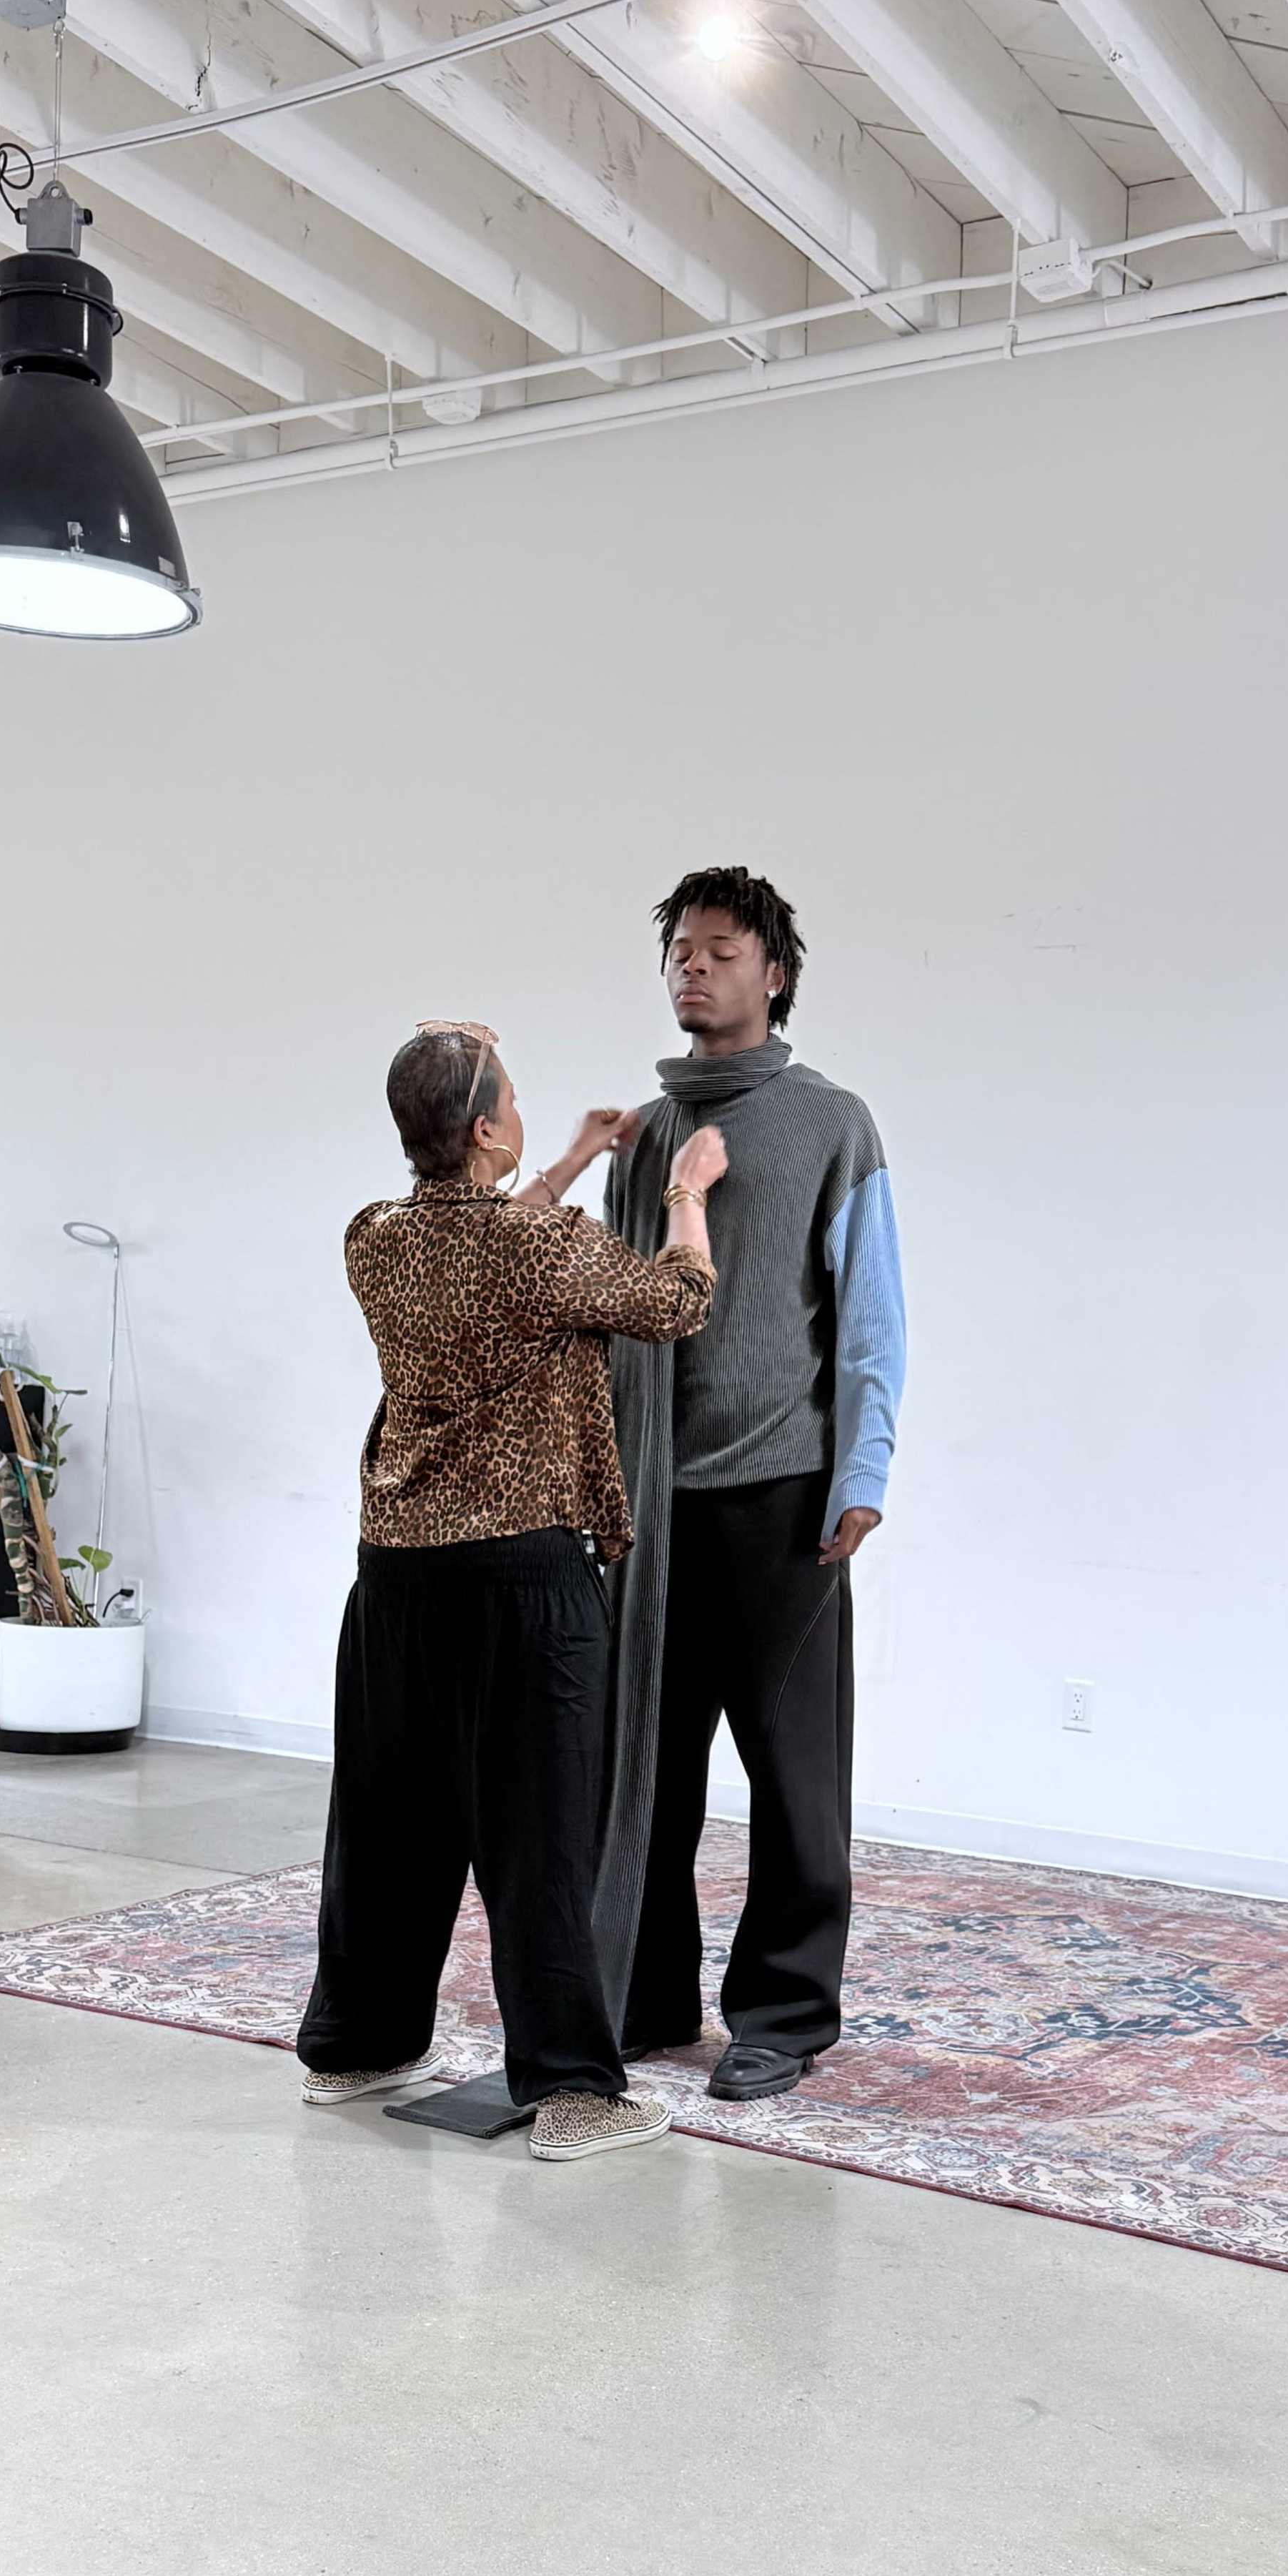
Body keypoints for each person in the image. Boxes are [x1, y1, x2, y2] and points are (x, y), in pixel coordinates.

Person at [297, 1019, 728, 2160]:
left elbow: (479, 1251)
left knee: (389, 1821)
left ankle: (358, 2043)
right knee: (541, 1837)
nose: (530, 1116)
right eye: (516, 1102)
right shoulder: (544, 1254)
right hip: (522, 1581)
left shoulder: (373, 1238)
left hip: (394, 1576)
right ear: (487, 1127)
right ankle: (575, 2093)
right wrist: (687, 1194)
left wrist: (571, 1159)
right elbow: (676, 1304)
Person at [598, 869, 906, 2104]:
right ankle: (647, 1994)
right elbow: (612, 1316)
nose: (695, 968)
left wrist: (865, 1467)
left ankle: (784, 2012)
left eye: (722, 950)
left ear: (773, 974)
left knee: (793, 1772)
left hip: (784, 1494)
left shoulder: (833, 1124)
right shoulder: (650, 1135)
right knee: (648, 1762)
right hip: (649, 1498)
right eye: (681, 949)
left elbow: (872, 1313)